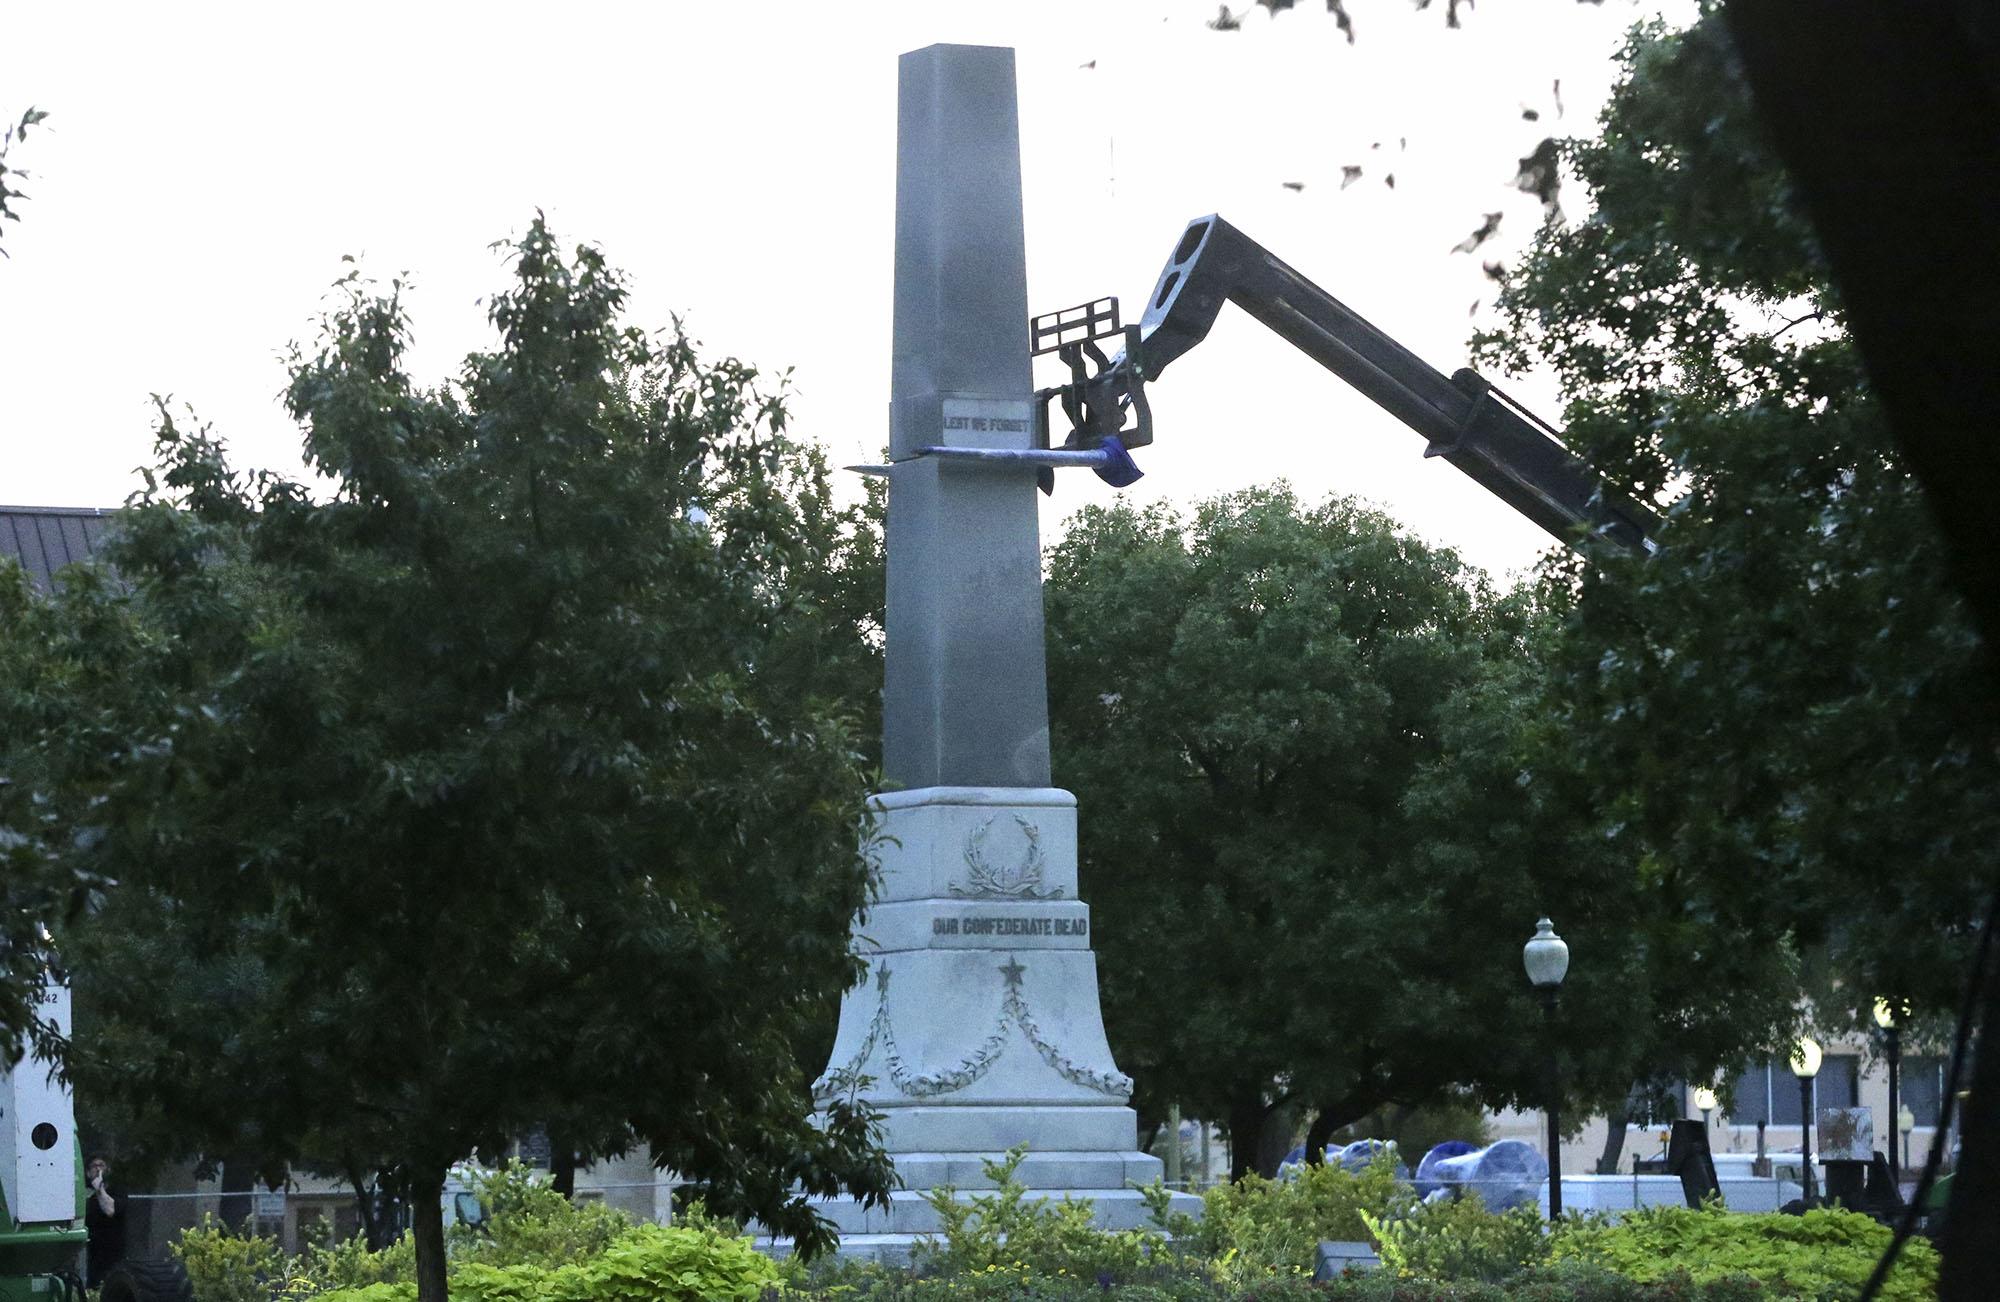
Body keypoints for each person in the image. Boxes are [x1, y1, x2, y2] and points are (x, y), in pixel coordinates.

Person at [84, 1154, 126, 1287]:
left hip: (114, 1255)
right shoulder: (86, 1198)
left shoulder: (118, 1191)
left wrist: (100, 1189)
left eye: (101, 1165)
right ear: (87, 1172)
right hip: (93, 1257)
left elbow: (110, 1210)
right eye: (94, 1166)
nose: (97, 1169)